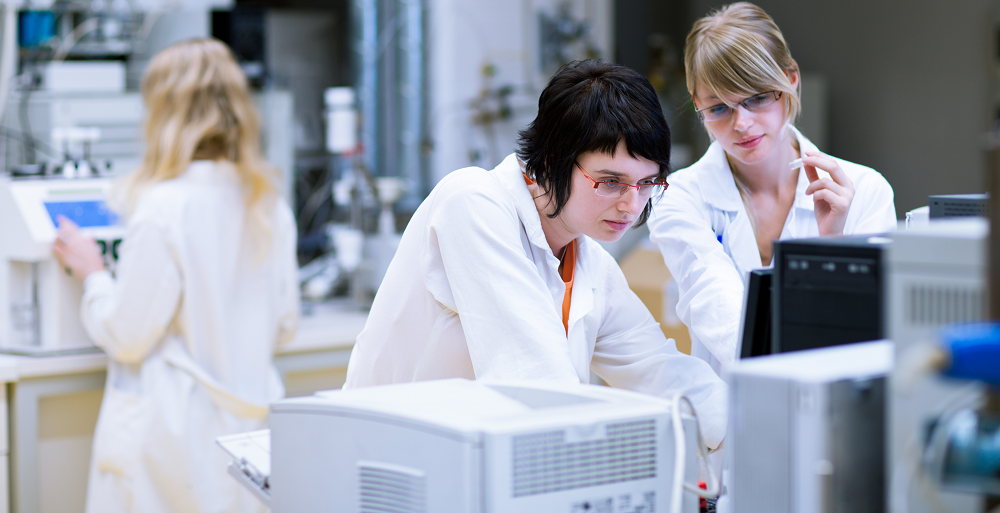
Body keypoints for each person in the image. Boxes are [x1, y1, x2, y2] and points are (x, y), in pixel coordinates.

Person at [344, 60, 727, 449]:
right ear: (551, 160)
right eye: (611, 182)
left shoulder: (592, 265)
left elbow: (661, 371)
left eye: (647, 183)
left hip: (469, 464)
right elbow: (535, 385)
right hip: (382, 460)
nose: (632, 205)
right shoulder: (472, 203)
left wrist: (749, 427)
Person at [52, 38, 299, 513]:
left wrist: (94, 274)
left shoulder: (163, 207)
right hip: (249, 436)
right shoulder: (268, 203)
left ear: (162, 112)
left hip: (173, 440)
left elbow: (127, 337)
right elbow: (285, 325)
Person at [649, 2, 897, 374]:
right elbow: (723, 315)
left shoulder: (865, 191)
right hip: (729, 408)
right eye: (719, 108)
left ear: (790, 79)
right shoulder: (680, 197)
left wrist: (831, 251)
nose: (742, 124)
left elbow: (868, 337)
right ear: (696, 102)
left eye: (758, 98)